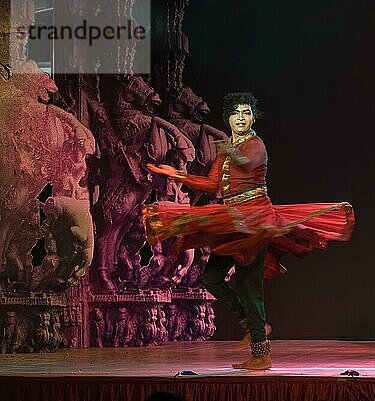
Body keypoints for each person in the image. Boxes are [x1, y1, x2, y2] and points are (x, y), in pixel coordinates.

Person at [143, 92, 354, 370]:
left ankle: (261, 353)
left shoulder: (256, 145)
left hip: (255, 221)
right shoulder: (228, 149)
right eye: (236, 113)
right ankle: (253, 324)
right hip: (232, 221)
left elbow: (248, 164)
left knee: (248, 285)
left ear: (253, 117)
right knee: (212, 278)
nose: (241, 118)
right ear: (228, 117)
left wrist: (229, 151)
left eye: (246, 113)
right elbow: (212, 184)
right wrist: (176, 175)